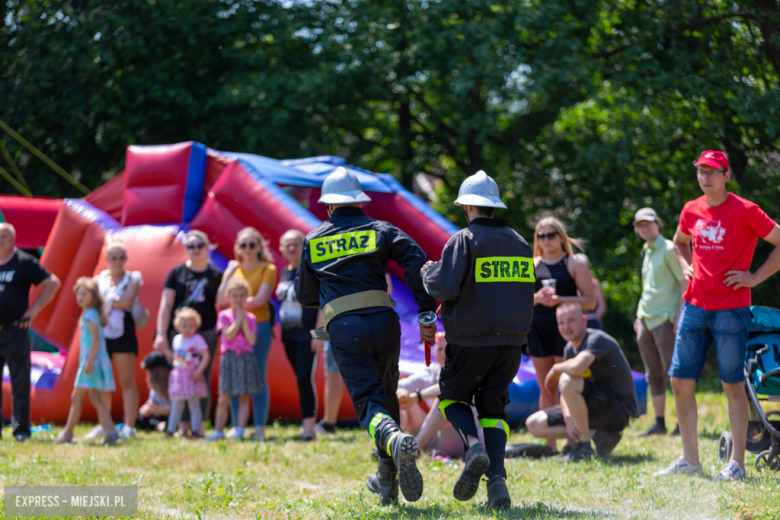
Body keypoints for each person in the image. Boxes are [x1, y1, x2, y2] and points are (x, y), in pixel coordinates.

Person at [296, 167, 437, 506]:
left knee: (369, 402)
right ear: (360, 202)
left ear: (328, 206)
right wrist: (425, 309)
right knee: (386, 394)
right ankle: (387, 481)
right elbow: (417, 260)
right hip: (385, 322)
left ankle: (391, 438)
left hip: (345, 327)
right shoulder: (381, 230)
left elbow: (304, 295)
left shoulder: (314, 239)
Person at [655, 150, 780, 481]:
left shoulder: (745, 210)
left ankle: (736, 464)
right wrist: (686, 266)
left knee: (732, 383)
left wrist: (754, 278)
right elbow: (679, 242)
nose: (705, 177)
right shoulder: (691, 209)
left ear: (726, 175)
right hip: (694, 304)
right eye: (701, 171)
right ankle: (690, 460)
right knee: (679, 380)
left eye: (712, 171)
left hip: (731, 309)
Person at [421, 170, 535, 510]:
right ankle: (497, 481)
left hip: (470, 343)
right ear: (494, 207)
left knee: (451, 399)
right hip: (512, 345)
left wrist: (428, 270)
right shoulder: (520, 242)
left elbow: (443, 286)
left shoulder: (464, 240)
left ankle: (473, 447)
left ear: (467, 206)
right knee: (494, 409)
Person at [525, 304, 638, 461]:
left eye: (571, 320)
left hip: (618, 409)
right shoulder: (569, 349)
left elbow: (577, 368)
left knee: (567, 378)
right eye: (561, 322)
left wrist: (555, 369)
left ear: (584, 320)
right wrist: (568, 419)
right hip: (592, 407)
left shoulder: (596, 339)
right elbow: (565, 393)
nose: (566, 326)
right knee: (534, 424)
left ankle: (583, 448)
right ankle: (601, 437)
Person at [527, 217, 596, 450]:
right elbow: (518, 301)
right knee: (545, 386)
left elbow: (590, 301)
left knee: (565, 383)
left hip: (565, 330)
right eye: (541, 236)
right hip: (537, 328)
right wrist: (537, 298)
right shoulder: (531, 265)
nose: (546, 240)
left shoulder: (574, 263)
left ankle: (573, 439)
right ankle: (550, 444)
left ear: (561, 237)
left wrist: (560, 300)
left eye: (550, 235)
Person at [154, 230, 222, 436]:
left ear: (207, 247)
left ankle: (198, 427)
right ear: (186, 250)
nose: (195, 250)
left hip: (206, 334)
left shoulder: (215, 275)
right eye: (190, 246)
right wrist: (161, 333)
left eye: (199, 245)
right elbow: (166, 305)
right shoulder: (177, 273)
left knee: (201, 378)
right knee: (179, 380)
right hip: (180, 336)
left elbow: (223, 302)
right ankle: (180, 427)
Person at [0, 222, 61, 442]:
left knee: (20, 382)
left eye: (5, 236)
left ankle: (21, 431)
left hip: (15, 329)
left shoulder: (24, 262)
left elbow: (53, 282)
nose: (1, 239)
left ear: (14, 239)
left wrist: (34, 310)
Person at [217, 227, 277, 441]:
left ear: (260, 246)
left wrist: (238, 309)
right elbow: (221, 298)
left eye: (252, 244)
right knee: (234, 377)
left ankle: (259, 426)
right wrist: (228, 273)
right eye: (243, 245)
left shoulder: (267, 269)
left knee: (257, 376)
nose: (248, 249)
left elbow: (260, 299)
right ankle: (237, 426)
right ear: (237, 248)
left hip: (257, 326)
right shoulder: (234, 269)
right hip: (233, 328)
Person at [633, 207, 685, 437]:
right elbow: (649, 289)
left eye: (648, 223)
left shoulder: (669, 248)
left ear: (658, 224)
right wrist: (638, 316)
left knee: (674, 374)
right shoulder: (646, 250)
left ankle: (683, 421)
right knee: (652, 374)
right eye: (640, 225)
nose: (645, 228)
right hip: (646, 320)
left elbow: (686, 281)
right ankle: (660, 422)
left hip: (666, 319)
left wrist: (681, 315)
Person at [318, 272, 392, 435]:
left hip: (363, 325)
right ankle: (329, 423)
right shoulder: (333, 260)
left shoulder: (371, 255)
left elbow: (387, 289)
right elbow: (323, 297)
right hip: (337, 324)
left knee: (371, 376)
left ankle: (380, 423)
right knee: (332, 374)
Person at [57, 278, 117, 444]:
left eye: (85, 294)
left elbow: (96, 339)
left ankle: (68, 434)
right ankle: (110, 432)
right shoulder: (90, 313)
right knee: (94, 398)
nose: (81, 297)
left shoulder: (90, 314)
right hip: (92, 360)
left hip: (91, 361)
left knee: (77, 397)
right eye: (79, 294)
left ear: (94, 296)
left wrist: (89, 362)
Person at [276, 229, 323, 440]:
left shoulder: (311, 270)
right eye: (287, 244)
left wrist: (319, 335)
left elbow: (324, 303)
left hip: (308, 334)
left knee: (305, 377)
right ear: (281, 249)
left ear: (304, 246)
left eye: (296, 243)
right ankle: (307, 425)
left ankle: (309, 430)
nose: (292, 247)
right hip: (289, 335)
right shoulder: (284, 271)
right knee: (300, 378)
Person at [94, 240, 142, 440]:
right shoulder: (99, 280)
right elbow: (91, 302)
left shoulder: (133, 278)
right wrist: (114, 301)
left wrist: (108, 301)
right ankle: (104, 424)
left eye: (121, 258)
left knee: (126, 380)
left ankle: (129, 425)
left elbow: (126, 302)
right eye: (114, 258)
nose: (118, 262)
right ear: (107, 259)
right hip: (102, 333)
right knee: (103, 381)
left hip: (124, 333)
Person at [206, 278, 263, 441]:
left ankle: (239, 430)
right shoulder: (224, 315)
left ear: (246, 297)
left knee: (244, 396)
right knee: (225, 396)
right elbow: (229, 335)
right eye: (235, 296)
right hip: (229, 357)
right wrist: (237, 320)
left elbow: (252, 340)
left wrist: (244, 322)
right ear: (228, 297)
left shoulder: (251, 318)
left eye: (241, 296)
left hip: (245, 358)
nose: (238, 299)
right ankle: (218, 431)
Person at [164, 307, 211, 438]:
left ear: (196, 326)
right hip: (178, 375)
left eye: (191, 326)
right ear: (177, 326)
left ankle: (195, 431)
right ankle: (170, 430)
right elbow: (176, 357)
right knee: (176, 405)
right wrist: (165, 351)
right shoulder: (176, 339)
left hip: (192, 375)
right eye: (184, 326)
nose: (188, 329)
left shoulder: (197, 339)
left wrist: (199, 371)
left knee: (194, 405)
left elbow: (205, 355)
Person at [136, 352, 172, 433]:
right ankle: (158, 426)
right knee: (137, 418)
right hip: (158, 417)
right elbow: (151, 403)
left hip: (171, 415)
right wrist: (145, 410)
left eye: (149, 373)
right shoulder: (154, 388)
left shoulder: (173, 383)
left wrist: (159, 410)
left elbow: (178, 410)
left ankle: (163, 426)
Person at [574, 253, 607, 330]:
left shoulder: (594, 284)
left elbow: (602, 306)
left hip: (593, 323)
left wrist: (595, 319)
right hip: (576, 324)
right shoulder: (570, 284)